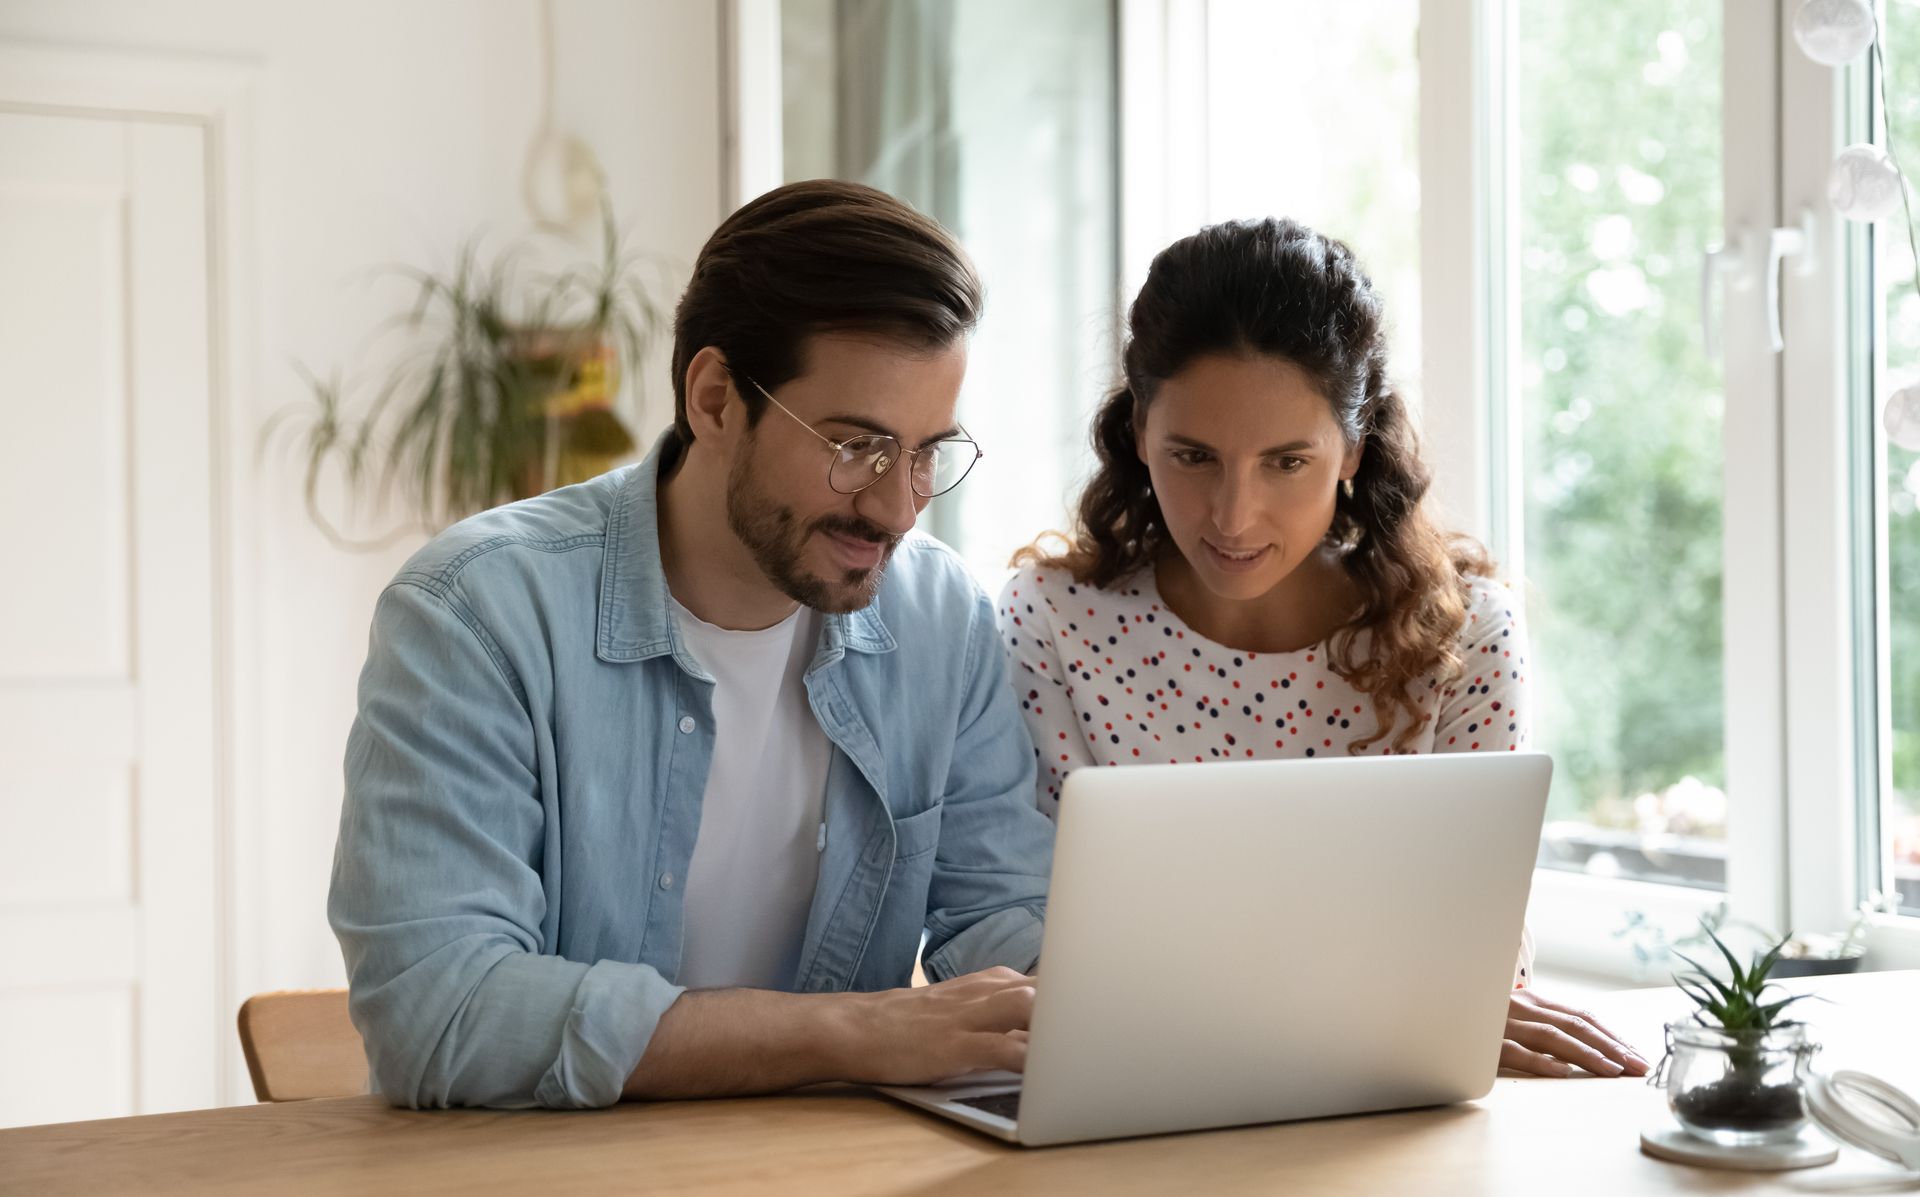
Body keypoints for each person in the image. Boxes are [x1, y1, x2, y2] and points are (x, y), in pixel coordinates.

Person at [330, 180, 1047, 1109]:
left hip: (832, 1190)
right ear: (714, 399)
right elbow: (440, 1010)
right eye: (856, 446)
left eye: (925, 453)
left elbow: (999, 918)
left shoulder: (941, 618)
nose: (900, 504)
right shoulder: (475, 613)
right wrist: (854, 1033)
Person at [998, 218, 1648, 1079]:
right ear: (1137, 435)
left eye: (1286, 462)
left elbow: (1479, 956)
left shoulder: (1464, 639)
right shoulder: (1053, 621)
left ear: (1353, 450)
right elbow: (1030, 950)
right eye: (1191, 456)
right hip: (1138, 1094)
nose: (1233, 516)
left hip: (1384, 1101)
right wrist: (1372, 1009)